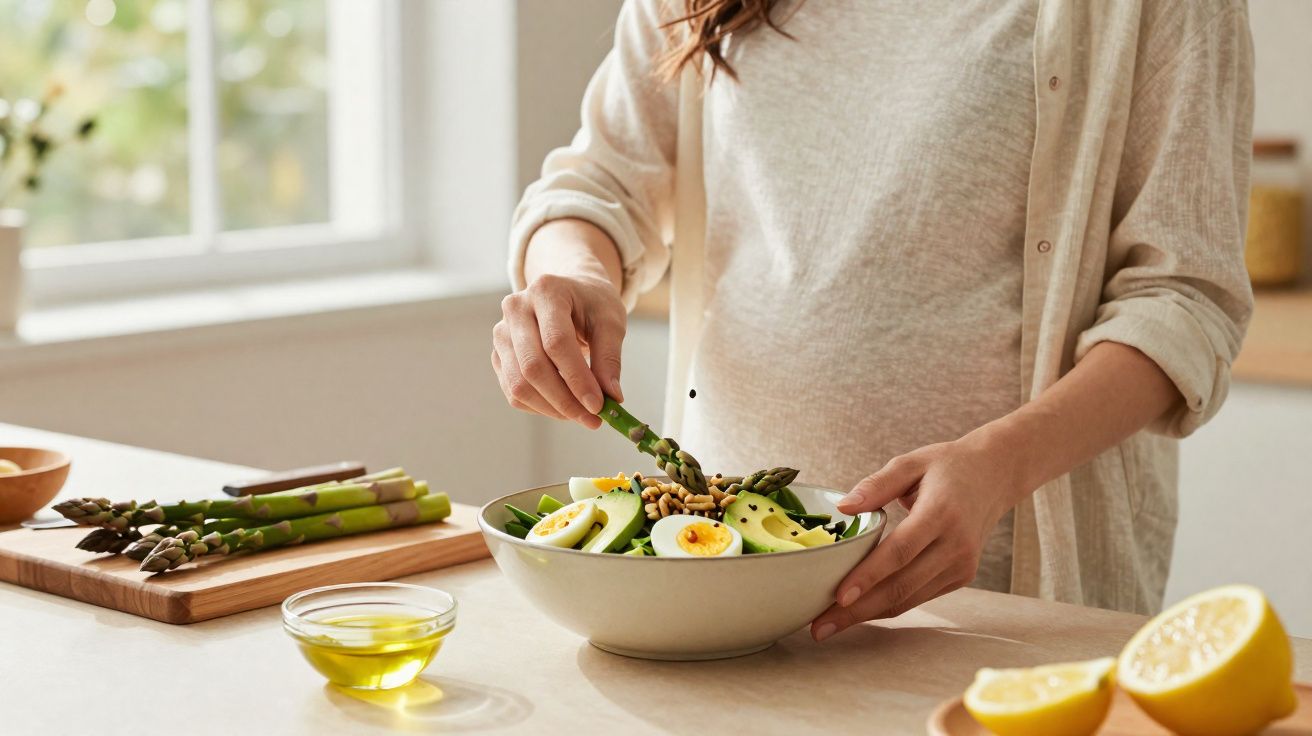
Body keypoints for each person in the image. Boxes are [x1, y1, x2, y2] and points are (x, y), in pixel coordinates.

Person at [492, 0, 1254, 642]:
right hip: (714, 587)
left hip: (1000, 602)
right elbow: (600, 180)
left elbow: (1184, 299)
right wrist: (571, 274)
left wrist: (997, 467)